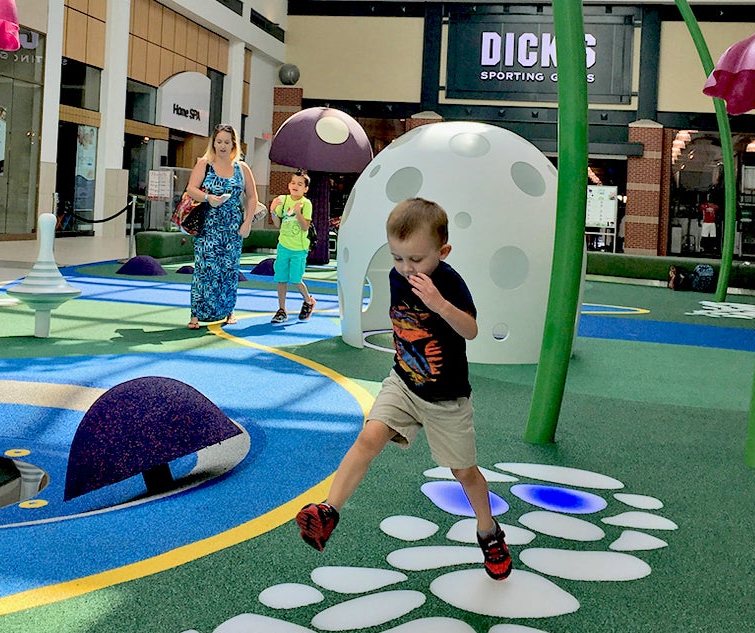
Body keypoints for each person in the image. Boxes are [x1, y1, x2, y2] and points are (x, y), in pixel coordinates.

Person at [295, 197, 513, 581]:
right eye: (397, 258)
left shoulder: (448, 282)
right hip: (404, 381)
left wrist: (439, 304)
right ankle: (330, 510)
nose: (405, 268)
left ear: (442, 251)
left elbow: (471, 330)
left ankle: (488, 531)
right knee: (369, 437)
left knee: (464, 472)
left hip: (446, 397)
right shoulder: (397, 276)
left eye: (415, 259)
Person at [185, 123, 259, 328]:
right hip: (208, 226)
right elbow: (191, 189)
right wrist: (208, 197)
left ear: (233, 144)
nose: (223, 146)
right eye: (219, 141)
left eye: (227, 142)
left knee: (229, 269)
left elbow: (252, 197)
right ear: (213, 143)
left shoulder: (242, 168)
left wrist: (247, 223)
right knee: (204, 268)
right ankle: (196, 314)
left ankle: (229, 311)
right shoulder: (205, 164)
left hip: (233, 228)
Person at [270, 170, 316, 323]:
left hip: (299, 249)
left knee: (296, 279)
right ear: (289, 185)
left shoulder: (306, 203)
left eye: (300, 184)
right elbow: (278, 224)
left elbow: (305, 227)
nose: (295, 186)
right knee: (281, 279)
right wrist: (273, 211)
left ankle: (308, 301)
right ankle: (281, 310)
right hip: (283, 246)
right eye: (293, 183)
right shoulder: (282, 200)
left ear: (305, 189)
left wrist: (298, 213)